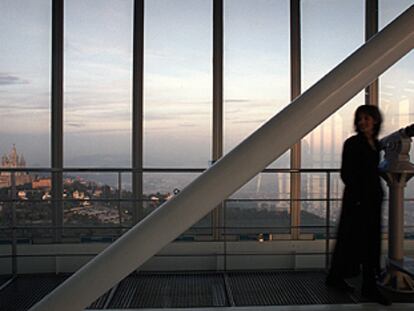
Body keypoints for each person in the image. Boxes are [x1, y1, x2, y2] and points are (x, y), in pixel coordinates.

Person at [326, 105, 391, 305]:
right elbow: (347, 174)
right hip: (359, 202)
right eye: (360, 118)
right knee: (364, 243)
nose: (363, 122)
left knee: (355, 241)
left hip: (370, 200)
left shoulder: (375, 144)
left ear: (375, 120)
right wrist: (361, 196)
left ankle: (336, 277)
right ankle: (368, 287)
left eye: (367, 118)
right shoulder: (353, 143)